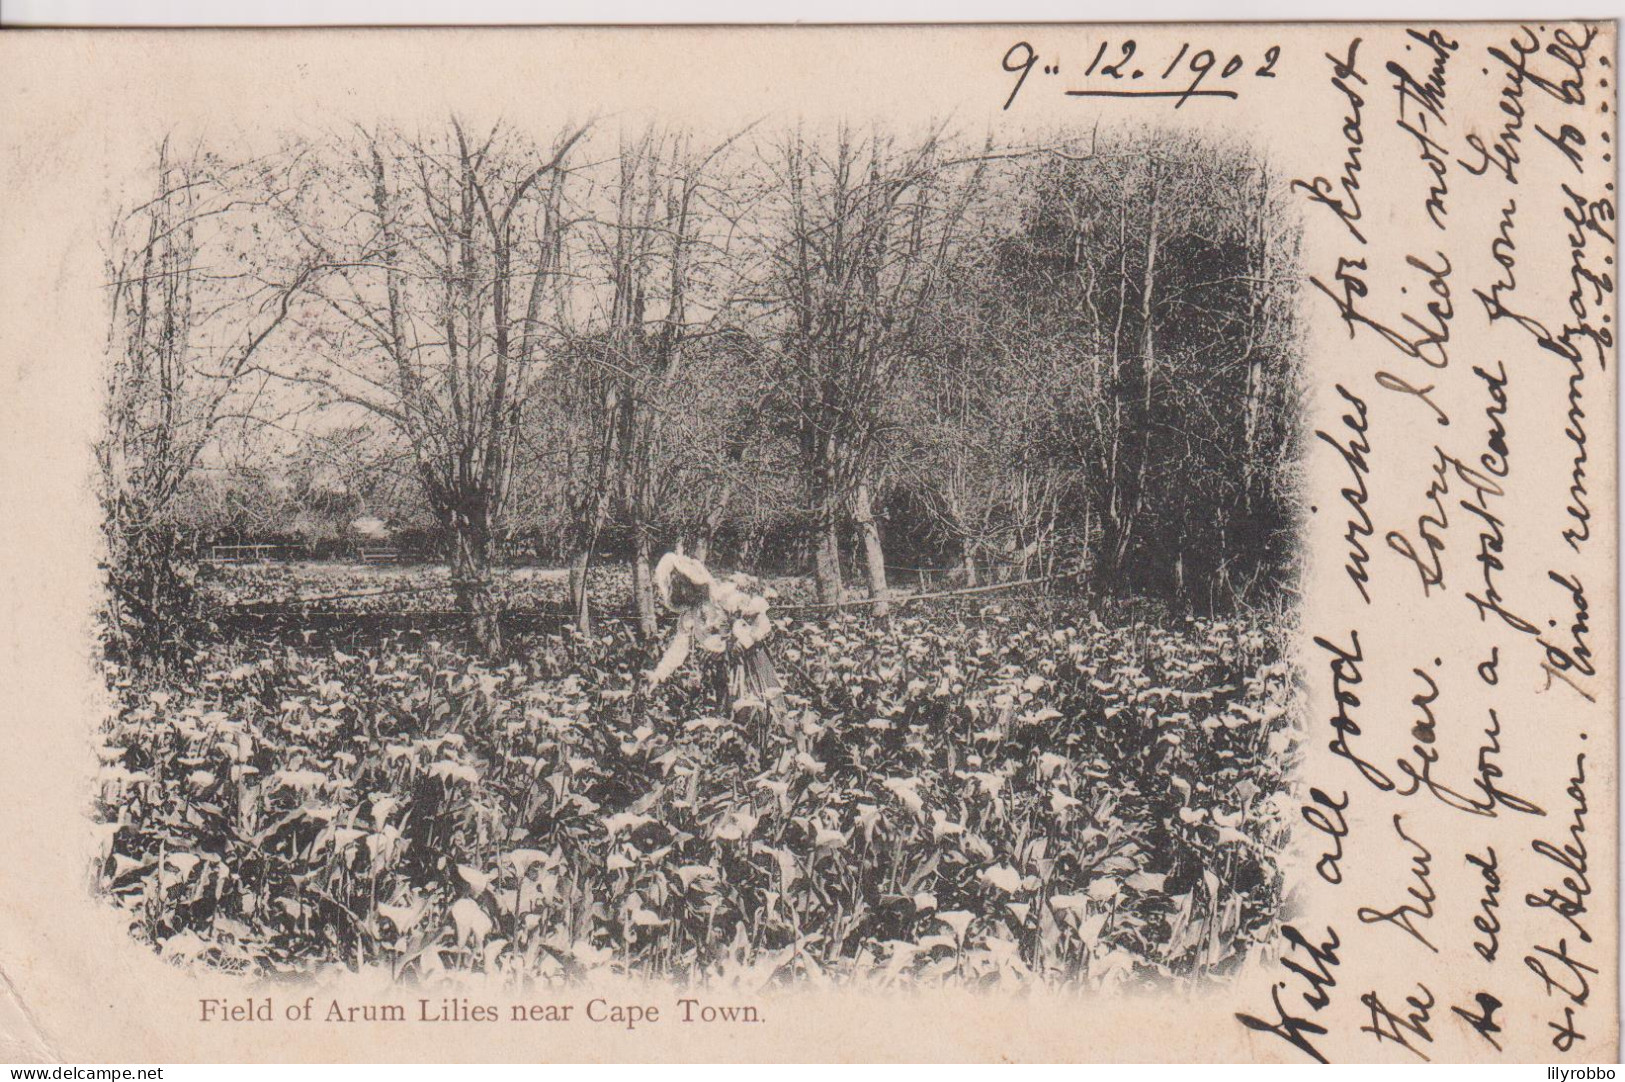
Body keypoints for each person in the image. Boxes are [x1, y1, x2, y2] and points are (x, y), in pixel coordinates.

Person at [646, 551, 789, 723]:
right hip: (726, 672)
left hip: (754, 663)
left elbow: (765, 617)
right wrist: (659, 674)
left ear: (696, 582)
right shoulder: (690, 617)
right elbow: (678, 648)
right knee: (735, 721)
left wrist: (746, 639)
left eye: (686, 585)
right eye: (679, 589)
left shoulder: (724, 598)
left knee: (769, 712)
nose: (685, 592)